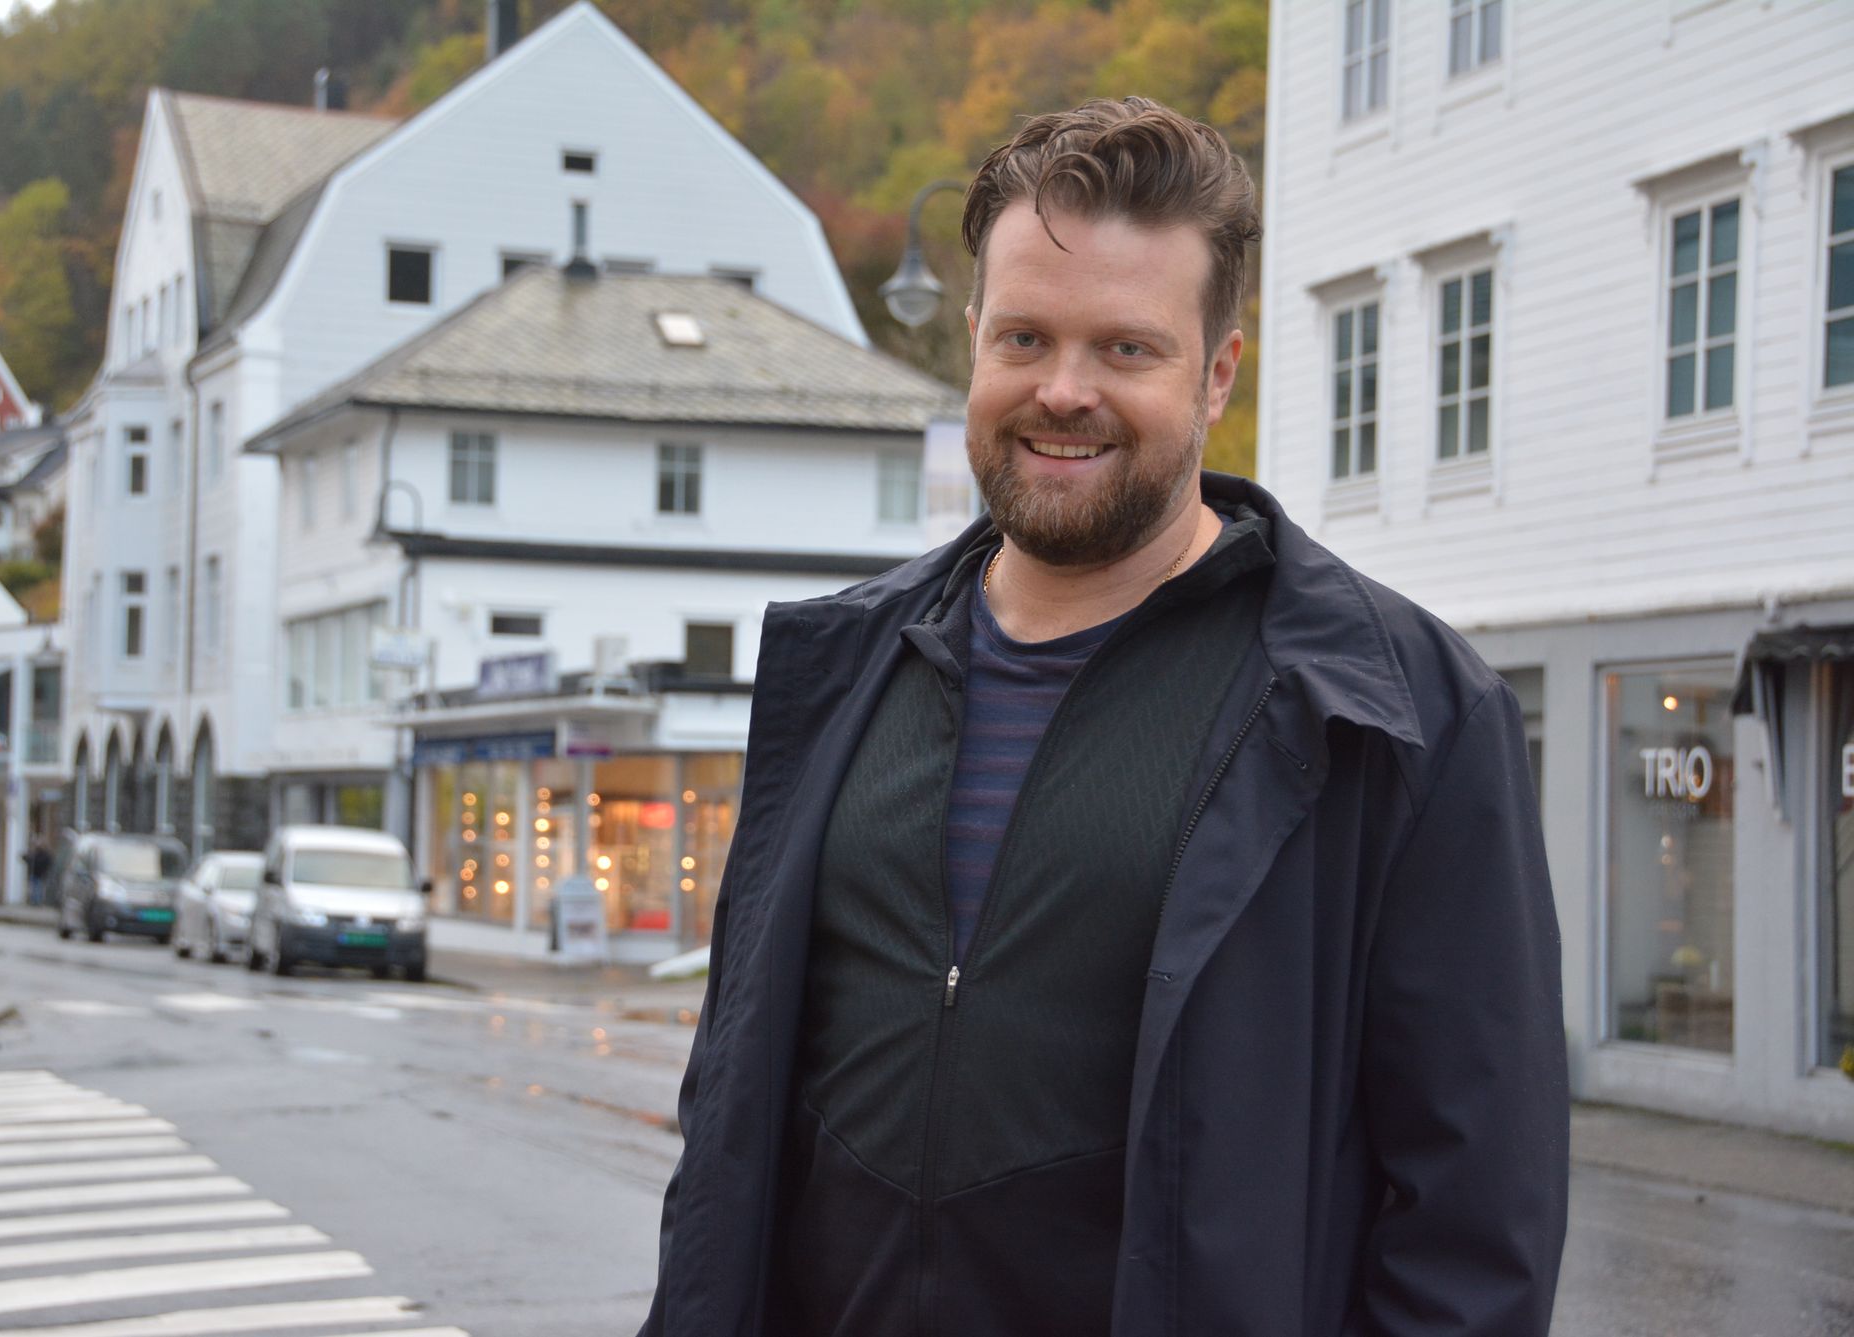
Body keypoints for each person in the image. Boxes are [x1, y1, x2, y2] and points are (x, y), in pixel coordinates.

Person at [639, 97, 1567, 1337]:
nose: (1060, 391)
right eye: (1023, 337)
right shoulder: (837, 670)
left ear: (1217, 372)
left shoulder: (1398, 712)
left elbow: (1471, 1219)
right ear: (970, 340)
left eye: (1125, 350)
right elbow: (733, 1111)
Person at [23, 837, 53, 906]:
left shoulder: (45, 855)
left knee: (38, 888)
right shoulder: (36, 854)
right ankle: (34, 901)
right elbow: (30, 860)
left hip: (40, 874)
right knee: (35, 888)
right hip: (35, 873)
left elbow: (43, 862)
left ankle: (37, 902)